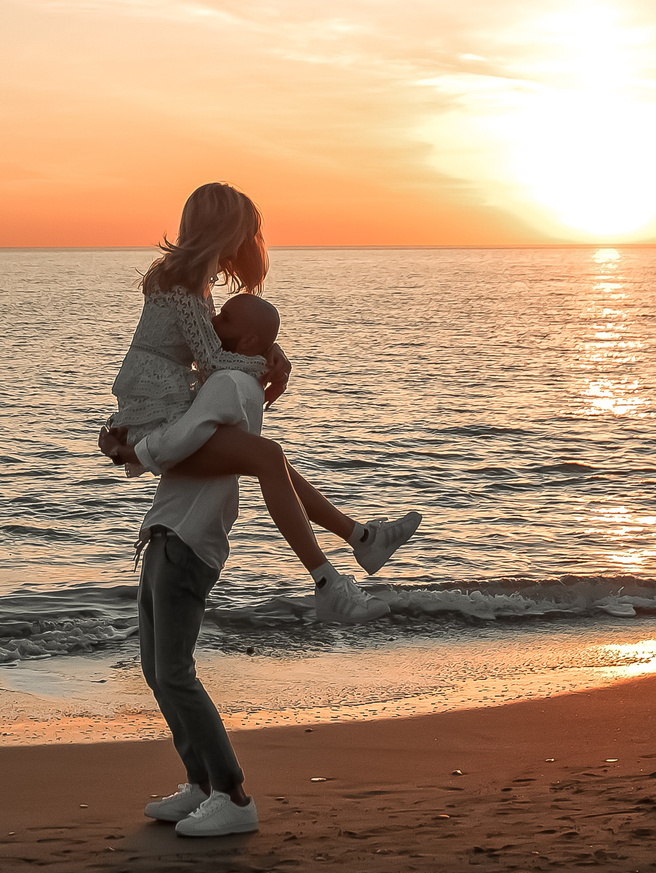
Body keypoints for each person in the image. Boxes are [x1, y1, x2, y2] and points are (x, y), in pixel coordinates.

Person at [98, 182, 420, 620]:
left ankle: (362, 539)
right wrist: (267, 365)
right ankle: (329, 583)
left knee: (274, 463)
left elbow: (214, 341)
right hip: (157, 417)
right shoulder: (183, 281)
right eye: (244, 232)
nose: (247, 242)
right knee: (270, 459)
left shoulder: (191, 281)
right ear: (224, 230)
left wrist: (271, 354)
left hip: (168, 406)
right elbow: (211, 358)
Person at [131, 292, 284, 837]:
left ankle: (233, 795)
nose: (210, 320)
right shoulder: (235, 381)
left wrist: (132, 447)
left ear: (244, 341)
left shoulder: (228, 386)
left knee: (173, 673)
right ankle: (199, 784)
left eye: (224, 318)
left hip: (186, 540)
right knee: (158, 672)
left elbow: (178, 442)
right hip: (169, 534)